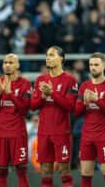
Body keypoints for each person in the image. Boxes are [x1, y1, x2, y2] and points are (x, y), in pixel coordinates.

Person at [30, 46, 78, 187]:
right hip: (44, 131)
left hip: (61, 131)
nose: (48, 58)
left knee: (64, 169)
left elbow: (70, 106)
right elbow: (33, 106)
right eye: (47, 55)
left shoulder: (70, 80)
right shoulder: (40, 80)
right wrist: (43, 97)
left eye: (51, 55)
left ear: (61, 59)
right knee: (45, 170)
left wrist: (52, 93)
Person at [74, 52, 105, 187]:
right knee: (86, 174)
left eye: (96, 65)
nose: (93, 67)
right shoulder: (84, 86)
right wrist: (85, 103)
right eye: (91, 65)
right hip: (87, 136)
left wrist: (97, 100)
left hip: (104, 136)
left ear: (104, 66)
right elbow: (76, 112)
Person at [0, 53, 32, 187]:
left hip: (18, 132)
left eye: (11, 62)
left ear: (18, 65)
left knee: (21, 170)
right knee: (1, 171)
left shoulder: (25, 83)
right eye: (5, 62)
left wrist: (10, 94)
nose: (7, 65)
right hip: (1, 133)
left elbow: (25, 110)